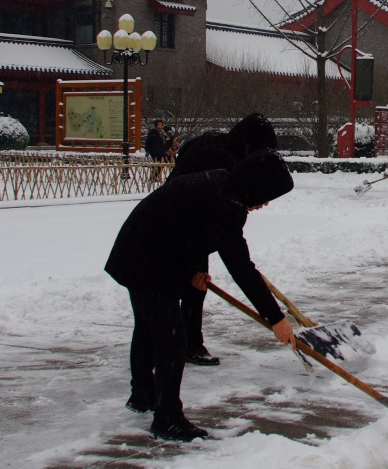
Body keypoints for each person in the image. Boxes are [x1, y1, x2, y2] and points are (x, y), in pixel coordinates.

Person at [104, 149, 296, 441]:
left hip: (139, 253)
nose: (266, 203)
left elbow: (187, 227)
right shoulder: (227, 203)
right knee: (172, 340)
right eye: (268, 194)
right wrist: (276, 318)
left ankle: (143, 395)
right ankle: (167, 418)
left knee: (148, 328)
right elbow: (241, 268)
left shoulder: (220, 183)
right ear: (257, 184)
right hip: (147, 261)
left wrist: (192, 270)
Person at [169, 113, 279, 365]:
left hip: (190, 221)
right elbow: (235, 255)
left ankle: (180, 341)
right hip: (181, 222)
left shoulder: (217, 141)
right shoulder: (222, 159)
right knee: (182, 287)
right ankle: (181, 343)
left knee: (191, 286)